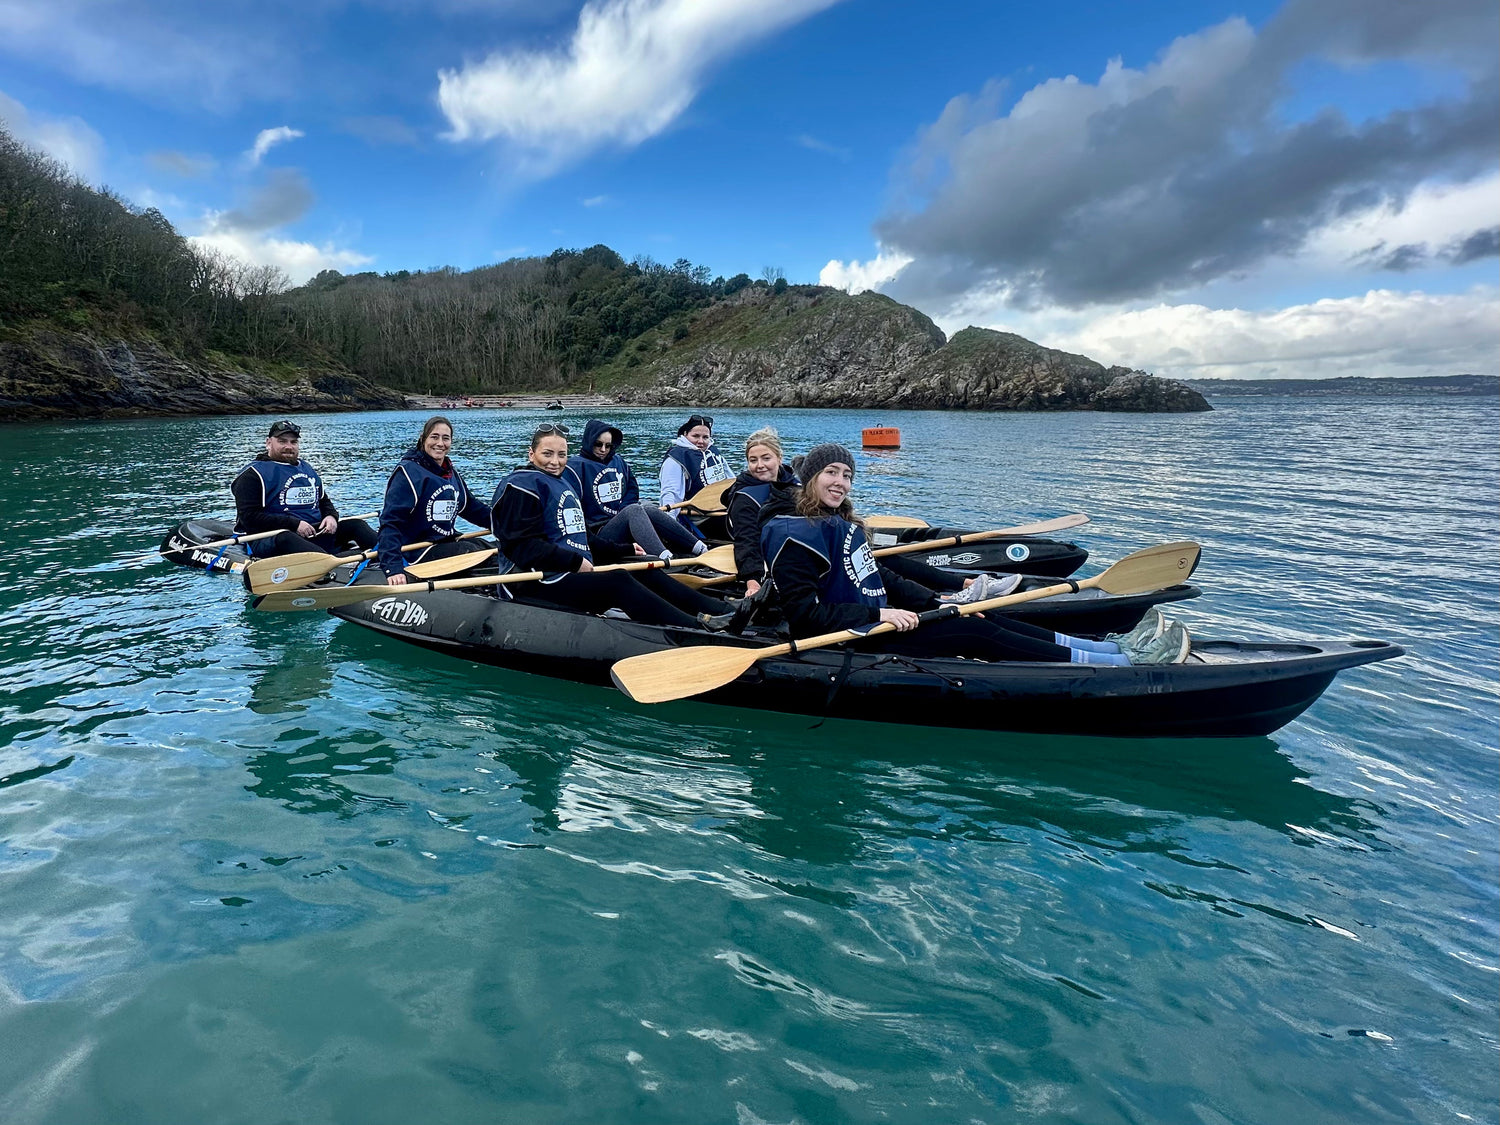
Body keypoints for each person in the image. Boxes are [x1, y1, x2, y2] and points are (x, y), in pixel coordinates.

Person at [759, 443, 1190, 664]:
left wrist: (938, 600)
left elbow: (880, 579)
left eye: (847, 474)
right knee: (975, 635)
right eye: (831, 473)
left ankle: (1112, 650)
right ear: (810, 479)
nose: (841, 482)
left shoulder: (841, 526)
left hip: (876, 625)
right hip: (847, 640)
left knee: (983, 615)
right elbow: (803, 617)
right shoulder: (796, 536)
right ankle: (1121, 664)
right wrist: (878, 617)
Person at [491, 423, 738, 629]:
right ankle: (697, 627)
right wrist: (574, 562)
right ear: (531, 454)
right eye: (547, 454)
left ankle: (722, 609)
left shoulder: (559, 482)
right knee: (618, 580)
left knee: (641, 567)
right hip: (536, 581)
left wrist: (621, 549)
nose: (555, 462)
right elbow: (521, 547)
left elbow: (580, 536)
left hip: (565, 571)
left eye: (562, 454)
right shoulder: (520, 488)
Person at [565, 419, 709, 562]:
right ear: (589, 442)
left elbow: (632, 489)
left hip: (618, 520)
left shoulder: (618, 461)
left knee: (648, 508)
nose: (603, 450)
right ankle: (665, 556)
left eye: (608, 446)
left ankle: (700, 547)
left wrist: (623, 510)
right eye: (598, 444)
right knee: (634, 510)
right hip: (598, 531)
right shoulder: (575, 467)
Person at [231, 420, 376, 558]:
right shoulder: (252, 475)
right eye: (282, 441)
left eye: (293, 442)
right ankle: (328, 565)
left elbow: (323, 501)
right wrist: (294, 524)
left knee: (357, 525)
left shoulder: (306, 468)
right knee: (286, 537)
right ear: (268, 443)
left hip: (313, 533)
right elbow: (249, 518)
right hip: (273, 537)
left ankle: (390, 555)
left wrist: (331, 516)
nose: (289, 446)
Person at [377, 415, 492, 586]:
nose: (440, 443)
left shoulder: (451, 472)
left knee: (491, 547)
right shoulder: (408, 473)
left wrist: (504, 524)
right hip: (416, 551)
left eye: (446, 438)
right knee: (468, 551)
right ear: (423, 439)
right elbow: (391, 522)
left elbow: (471, 508)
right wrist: (392, 567)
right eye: (434, 437)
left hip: (443, 542)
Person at [721, 427, 799, 595]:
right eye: (753, 460)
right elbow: (747, 540)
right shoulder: (745, 499)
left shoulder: (796, 486)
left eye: (766, 458)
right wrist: (753, 582)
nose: (760, 465)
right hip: (771, 559)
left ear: (779, 458)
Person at [659, 414, 733, 529]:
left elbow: (731, 480)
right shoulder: (676, 458)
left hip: (721, 510)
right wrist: (669, 524)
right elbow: (671, 493)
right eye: (695, 436)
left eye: (705, 437)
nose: (701, 441)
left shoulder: (713, 452)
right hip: (697, 517)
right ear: (685, 434)